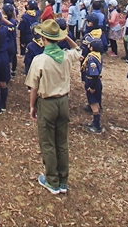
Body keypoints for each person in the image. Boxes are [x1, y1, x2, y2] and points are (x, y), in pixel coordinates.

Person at [25, 19, 81, 195]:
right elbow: (78, 50)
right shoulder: (66, 56)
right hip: (63, 101)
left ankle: (52, 180)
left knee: (48, 142)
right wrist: (66, 38)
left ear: (43, 39)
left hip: (47, 102)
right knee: (61, 142)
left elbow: (33, 87)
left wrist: (32, 106)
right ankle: (63, 180)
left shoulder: (40, 60)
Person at [82, 35, 104, 134]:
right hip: (96, 82)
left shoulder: (92, 58)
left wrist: (92, 87)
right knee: (95, 102)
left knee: (94, 104)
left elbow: (94, 74)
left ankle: (96, 126)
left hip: (92, 82)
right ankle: (95, 122)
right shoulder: (98, 55)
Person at [2, 2, 18, 78]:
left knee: (5, 61)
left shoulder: (1, 21)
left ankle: (6, 76)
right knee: (12, 57)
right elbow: (15, 21)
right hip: (12, 43)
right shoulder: (13, 21)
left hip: (4, 43)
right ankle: (13, 72)